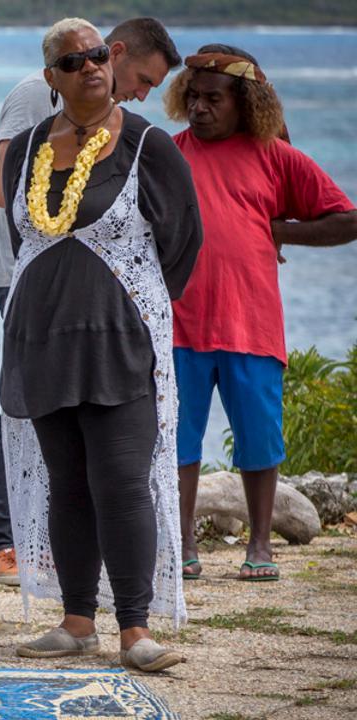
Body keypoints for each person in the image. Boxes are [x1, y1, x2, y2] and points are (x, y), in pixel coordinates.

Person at [0, 18, 202, 672]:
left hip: (119, 342)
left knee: (121, 479)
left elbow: (183, 244)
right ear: (54, 77)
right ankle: (77, 621)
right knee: (68, 483)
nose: (90, 67)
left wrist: (121, 304)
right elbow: (20, 232)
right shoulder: (30, 144)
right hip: (43, 339)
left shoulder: (147, 145)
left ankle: (135, 630)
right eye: (73, 60)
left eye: (96, 56)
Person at [163, 46, 357, 582]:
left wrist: (281, 229)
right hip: (179, 323)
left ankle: (261, 542)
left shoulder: (274, 155)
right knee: (178, 436)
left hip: (250, 322)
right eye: (193, 97)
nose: (200, 108)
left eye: (213, 99)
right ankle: (181, 546)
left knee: (259, 437)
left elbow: (346, 219)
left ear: (244, 103)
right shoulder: (170, 153)